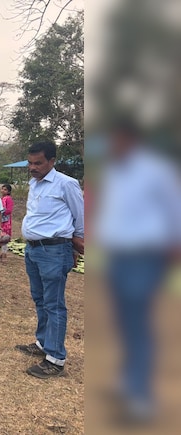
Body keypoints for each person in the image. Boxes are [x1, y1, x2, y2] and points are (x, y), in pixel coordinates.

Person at [93, 123, 181, 422]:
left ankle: (141, 397)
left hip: (145, 255)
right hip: (118, 256)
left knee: (139, 322)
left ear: (130, 139)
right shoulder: (114, 173)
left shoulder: (157, 171)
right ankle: (128, 381)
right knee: (123, 320)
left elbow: (174, 210)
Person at [15, 141, 84, 379]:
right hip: (34, 250)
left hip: (54, 250)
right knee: (40, 298)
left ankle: (55, 359)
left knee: (53, 304)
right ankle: (43, 342)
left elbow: (80, 216)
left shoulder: (66, 184)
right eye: (30, 163)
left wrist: (77, 244)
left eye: (38, 163)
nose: (32, 168)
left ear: (52, 161)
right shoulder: (34, 183)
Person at [0, 184, 14, 260]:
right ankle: (2, 253)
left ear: (9, 191)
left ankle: (4, 254)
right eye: (2, 189)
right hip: (1, 220)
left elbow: (9, 210)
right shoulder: (2, 198)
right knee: (1, 236)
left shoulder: (8, 199)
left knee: (5, 237)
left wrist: (1, 211)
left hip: (6, 221)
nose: (3, 191)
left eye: (5, 190)